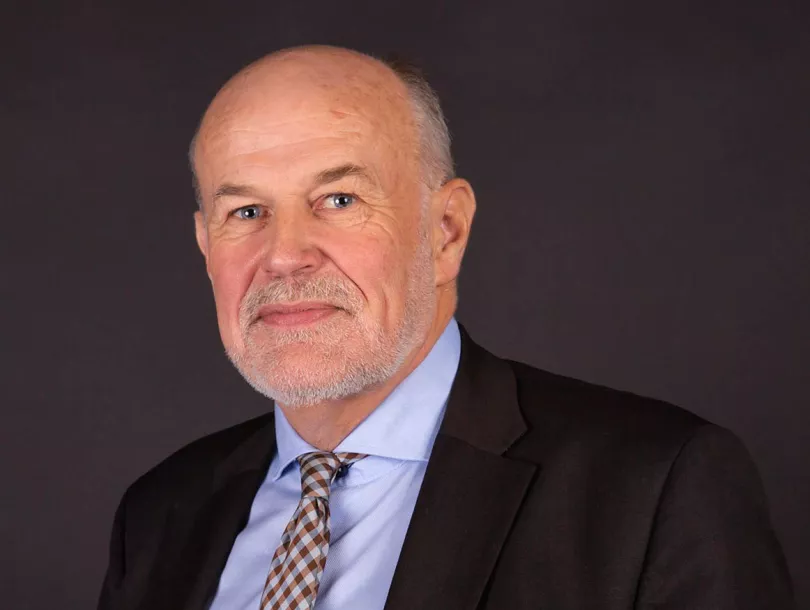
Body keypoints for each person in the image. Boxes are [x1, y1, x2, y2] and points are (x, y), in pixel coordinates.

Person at [97, 45, 793, 610]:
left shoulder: (655, 486)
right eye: (246, 212)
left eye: (338, 199)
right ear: (205, 246)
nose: (284, 254)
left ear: (446, 231)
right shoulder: (160, 514)